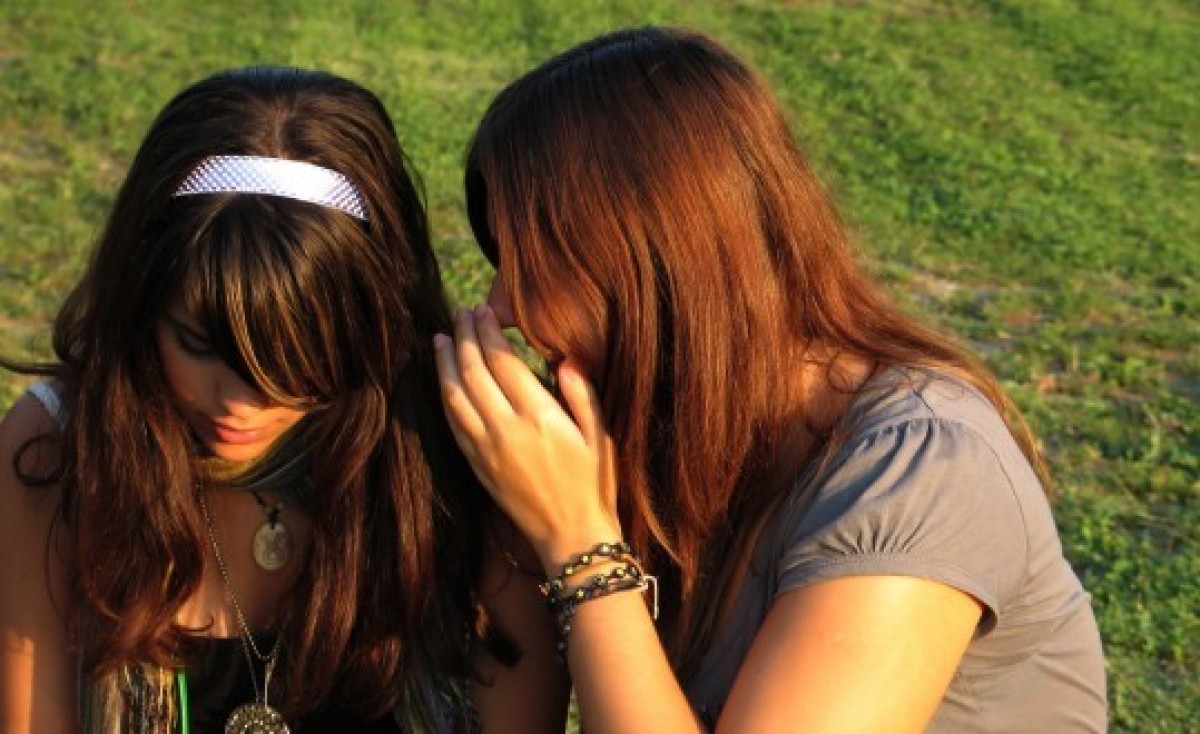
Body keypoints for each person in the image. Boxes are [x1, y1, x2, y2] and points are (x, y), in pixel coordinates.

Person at [435, 26, 1108, 733]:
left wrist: (578, 544)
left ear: (659, 270)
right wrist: (519, 514)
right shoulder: (680, 430)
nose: (502, 308)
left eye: (535, 268)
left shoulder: (919, 470)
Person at [0, 67, 564, 732]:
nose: (240, 402)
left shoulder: (471, 464)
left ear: (374, 319)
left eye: (293, 357)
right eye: (199, 345)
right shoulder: (58, 450)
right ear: (140, 301)